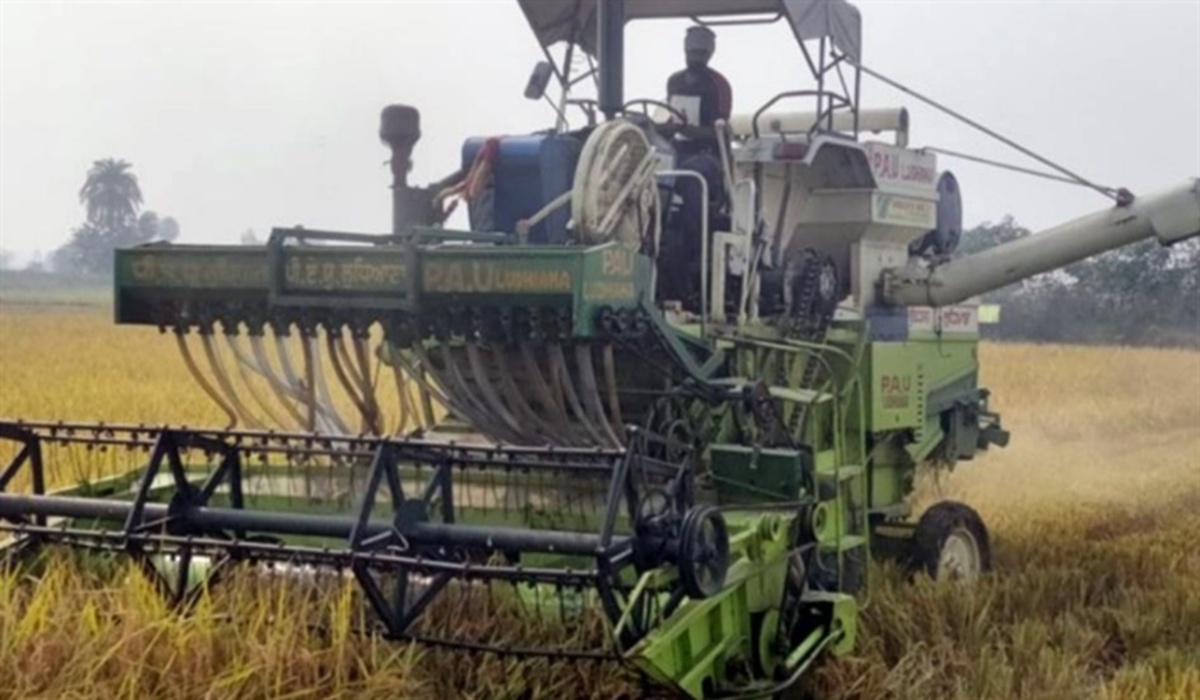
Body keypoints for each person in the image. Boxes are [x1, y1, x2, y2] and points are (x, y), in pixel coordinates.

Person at [661, 25, 732, 304]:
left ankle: (695, 247)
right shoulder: (674, 81)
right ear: (685, 50)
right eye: (692, 51)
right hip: (676, 149)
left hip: (708, 155)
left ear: (711, 52)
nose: (696, 57)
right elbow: (671, 119)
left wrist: (690, 130)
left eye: (702, 52)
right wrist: (664, 129)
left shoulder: (719, 85)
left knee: (691, 176)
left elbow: (721, 131)